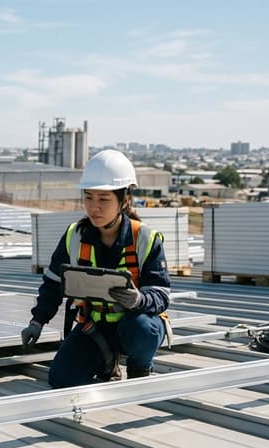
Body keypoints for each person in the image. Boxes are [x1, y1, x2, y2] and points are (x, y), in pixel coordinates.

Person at [21, 150, 171, 387]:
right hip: (95, 328)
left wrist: (139, 300)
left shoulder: (145, 238)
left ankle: (140, 368)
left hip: (134, 327)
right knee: (61, 379)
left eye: (104, 199)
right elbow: (53, 284)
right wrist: (37, 322)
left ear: (124, 200)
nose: (94, 207)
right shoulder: (74, 236)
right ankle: (106, 363)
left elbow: (162, 294)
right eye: (88, 197)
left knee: (142, 327)